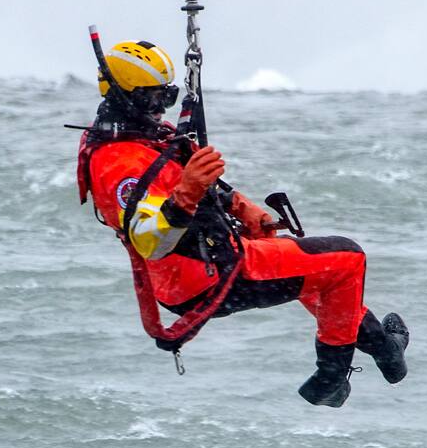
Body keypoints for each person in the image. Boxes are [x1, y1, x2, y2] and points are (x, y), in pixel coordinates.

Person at [75, 38, 409, 407]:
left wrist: (243, 208)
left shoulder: (141, 139)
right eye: (155, 98)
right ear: (129, 97)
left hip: (203, 265)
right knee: (347, 260)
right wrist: (186, 194)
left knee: (316, 271)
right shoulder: (118, 163)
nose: (161, 108)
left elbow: (191, 179)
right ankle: (330, 379)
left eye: (167, 96)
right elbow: (149, 239)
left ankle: (386, 352)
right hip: (210, 278)